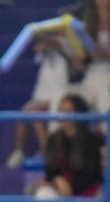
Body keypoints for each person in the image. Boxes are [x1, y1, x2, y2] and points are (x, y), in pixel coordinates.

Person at [7, 25, 81, 169]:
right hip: (41, 95)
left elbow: (58, 44)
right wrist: (43, 44)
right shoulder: (47, 50)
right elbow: (38, 50)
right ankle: (19, 151)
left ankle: (47, 151)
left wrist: (44, 37)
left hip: (58, 95)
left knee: (35, 114)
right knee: (24, 113)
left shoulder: (70, 45)